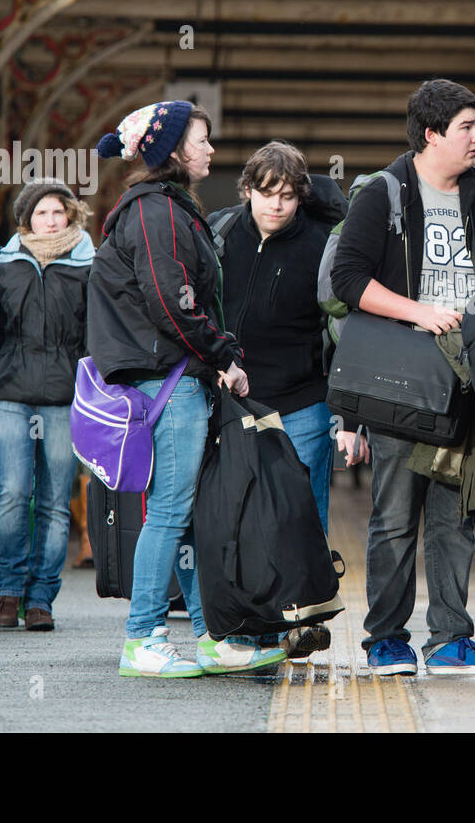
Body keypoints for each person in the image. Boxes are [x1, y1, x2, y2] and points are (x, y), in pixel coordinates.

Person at [89, 100, 285, 677]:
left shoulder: (163, 207)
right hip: (170, 381)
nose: (210, 149)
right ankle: (143, 636)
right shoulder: (156, 212)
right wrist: (224, 353)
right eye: (201, 139)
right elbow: (171, 300)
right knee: (171, 511)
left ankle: (209, 636)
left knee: (186, 512)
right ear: (172, 149)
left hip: (173, 377)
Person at [331, 78, 475, 676]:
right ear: (431, 134)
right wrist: (420, 312)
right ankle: (386, 640)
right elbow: (348, 281)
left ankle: (450, 638)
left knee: (455, 515)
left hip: (465, 381)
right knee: (391, 517)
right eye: (466, 127)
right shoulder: (383, 194)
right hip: (401, 378)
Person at [210, 140, 335, 659]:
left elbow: (340, 322)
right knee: (238, 513)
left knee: (300, 512)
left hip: (303, 399)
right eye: (266, 194)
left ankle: (301, 617)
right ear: (247, 192)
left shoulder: (323, 243)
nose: (276, 206)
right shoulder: (219, 233)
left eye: (287, 196)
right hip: (234, 402)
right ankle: (248, 624)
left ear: (300, 197)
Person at [0, 178, 95, 631]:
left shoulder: (87, 265)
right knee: (14, 493)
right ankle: (8, 591)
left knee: (57, 503)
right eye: (42, 212)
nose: (51, 219)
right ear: (27, 220)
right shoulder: (7, 265)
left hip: (64, 398)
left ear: (71, 215)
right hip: (10, 395)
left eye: (59, 211)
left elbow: (97, 337)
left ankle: (41, 598)